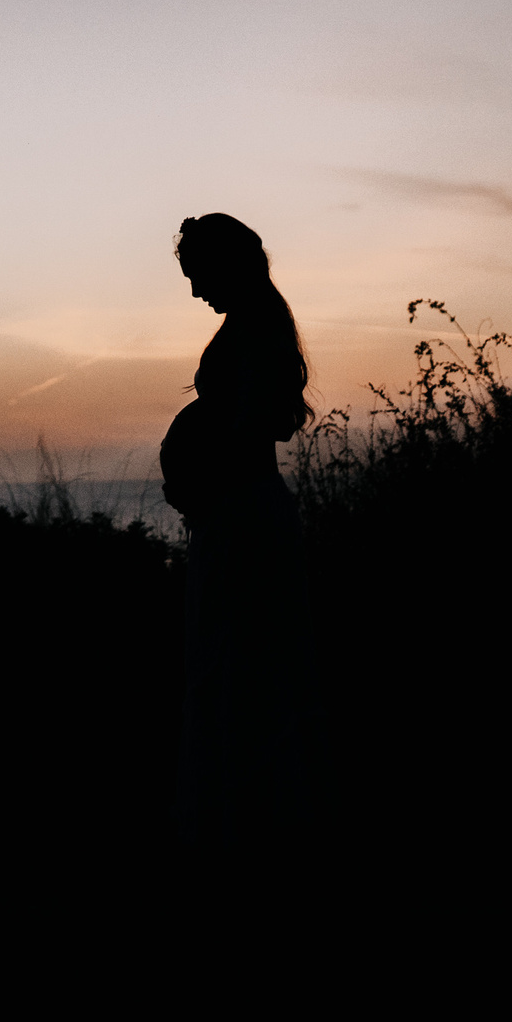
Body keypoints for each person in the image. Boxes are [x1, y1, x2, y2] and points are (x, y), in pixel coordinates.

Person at [161, 212, 314, 882]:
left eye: (197, 275)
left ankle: (243, 839)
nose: (195, 291)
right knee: (231, 672)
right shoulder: (255, 326)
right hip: (232, 516)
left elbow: (251, 426)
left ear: (224, 264)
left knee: (243, 675)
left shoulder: (257, 333)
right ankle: (235, 829)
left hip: (244, 521)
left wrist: (201, 475)